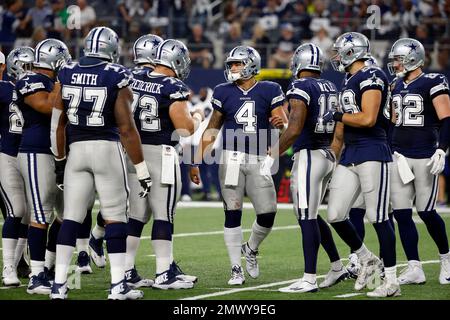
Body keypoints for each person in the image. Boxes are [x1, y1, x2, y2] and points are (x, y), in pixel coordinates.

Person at [50, 26, 151, 300]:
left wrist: (60, 161)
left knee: (71, 217)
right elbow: (127, 128)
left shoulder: (67, 70)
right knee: (116, 215)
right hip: (106, 148)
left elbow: (57, 124)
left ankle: (59, 285)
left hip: (76, 151)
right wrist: (142, 169)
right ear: (112, 49)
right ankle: (118, 285)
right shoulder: (116, 74)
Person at [192, 45, 288, 285]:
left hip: (259, 158)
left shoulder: (269, 88)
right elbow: (213, 128)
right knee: (232, 212)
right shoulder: (224, 91)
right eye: (231, 64)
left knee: (267, 214)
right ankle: (235, 268)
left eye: (237, 63)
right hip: (231, 158)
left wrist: (280, 124)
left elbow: (283, 124)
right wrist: (195, 159)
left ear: (251, 64)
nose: (232, 68)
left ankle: (251, 248)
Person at [266, 43, 349, 293]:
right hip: (325, 153)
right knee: (311, 214)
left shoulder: (300, 86)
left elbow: (296, 128)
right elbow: (305, 122)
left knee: (305, 217)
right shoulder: (330, 85)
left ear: (299, 63)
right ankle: (336, 266)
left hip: (310, 155)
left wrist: (274, 152)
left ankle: (309, 278)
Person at [323, 32, 400, 297]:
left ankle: (391, 281)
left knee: (378, 217)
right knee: (335, 213)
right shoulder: (349, 79)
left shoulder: (372, 75)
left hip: (373, 150)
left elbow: (368, 118)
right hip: (351, 153)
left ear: (352, 51)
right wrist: (334, 152)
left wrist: (336, 114)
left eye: (338, 51)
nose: (335, 56)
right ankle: (368, 259)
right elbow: (344, 125)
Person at [387, 38, 450, 285]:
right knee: (401, 214)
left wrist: (442, 149)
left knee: (426, 212)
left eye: (398, 58)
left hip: (424, 154)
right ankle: (414, 267)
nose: (394, 63)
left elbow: (446, 118)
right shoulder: (395, 85)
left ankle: (446, 259)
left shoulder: (433, 81)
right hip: (400, 155)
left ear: (413, 58)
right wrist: (391, 149)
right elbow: (393, 122)